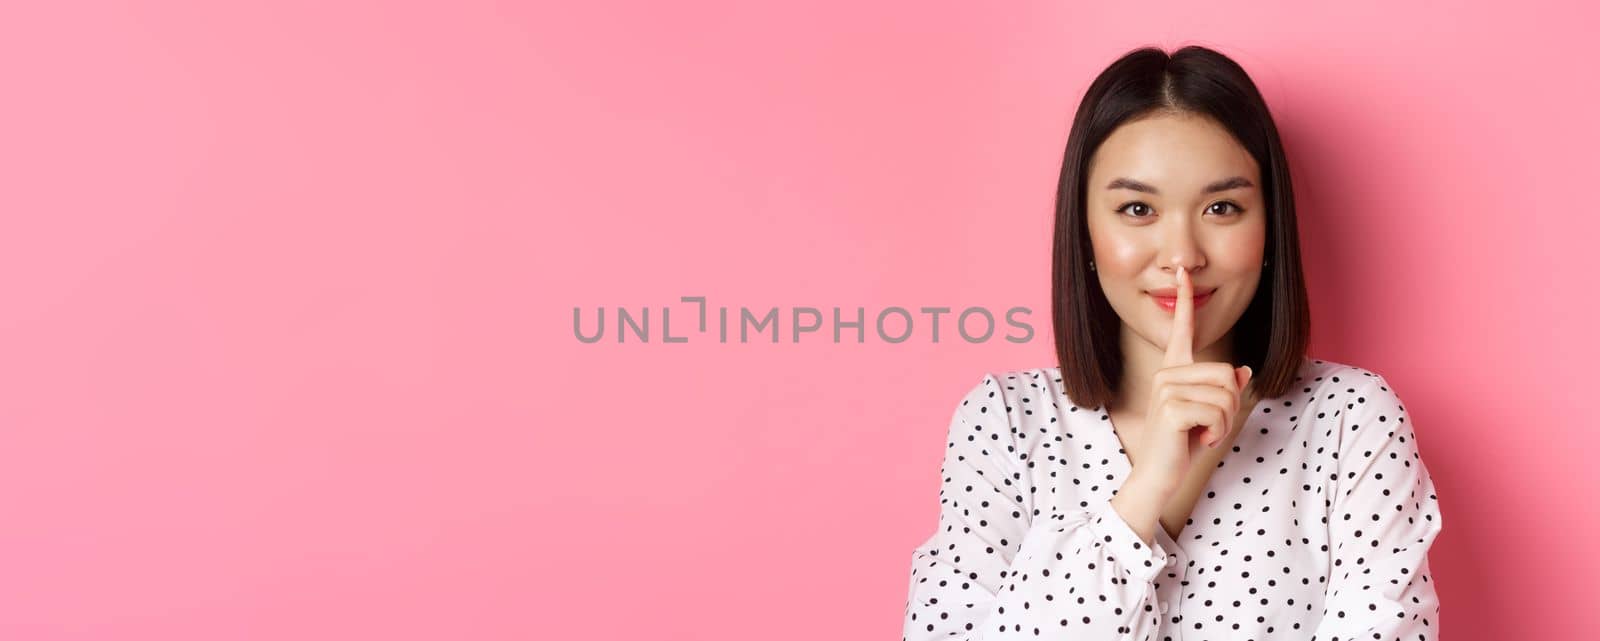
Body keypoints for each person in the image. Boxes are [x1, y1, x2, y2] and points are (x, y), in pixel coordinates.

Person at [900, 45, 1443, 640]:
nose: (1183, 255)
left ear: (1269, 230)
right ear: (1084, 229)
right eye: (1137, 209)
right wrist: (1144, 493)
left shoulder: (1350, 420)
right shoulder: (1006, 421)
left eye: (1222, 207)